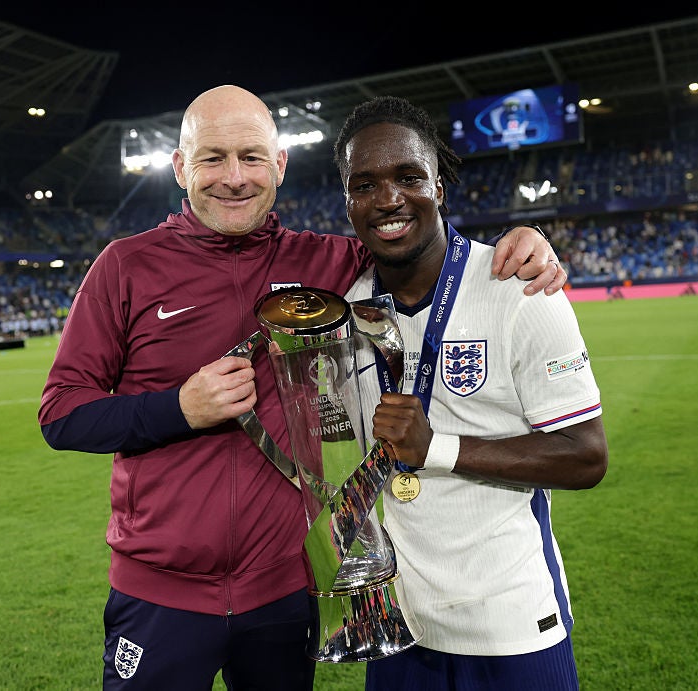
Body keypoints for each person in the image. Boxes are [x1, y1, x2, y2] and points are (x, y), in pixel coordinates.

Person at [38, 84, 566, 691]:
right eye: (212, 158)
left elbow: (415, 238)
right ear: (181, 167)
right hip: (162, 592)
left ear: (280, 166)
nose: (234, 178)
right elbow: (61, 414)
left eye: (252, 157)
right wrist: (179, 408)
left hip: (284, 592)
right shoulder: (124, 268)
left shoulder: (331, 263)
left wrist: (522, 242)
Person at [336, 96, 609, 690]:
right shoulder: (343, 309)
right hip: (397, 629)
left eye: (409, 176)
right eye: (366, 184)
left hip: (510, 624)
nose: (388, 199)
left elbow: (588, 457)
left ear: (440, 185)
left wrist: (436, 447)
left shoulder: (519, 290)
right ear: (348, 201)